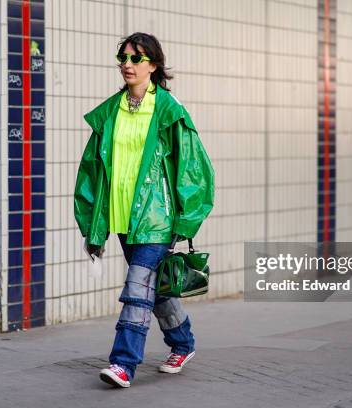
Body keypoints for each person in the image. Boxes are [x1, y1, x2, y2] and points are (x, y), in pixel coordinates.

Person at [74, 32, 215, 388]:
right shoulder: (111, 112)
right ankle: (183, 343)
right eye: (123, 57)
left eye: (136, 58)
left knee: (137, 288)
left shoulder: (168, 111)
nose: (127, 64)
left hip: (156, 219)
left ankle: (123, 363)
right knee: (156, 288)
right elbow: (92, 172)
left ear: (153, 65)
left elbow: (194, 168)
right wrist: (94, 225)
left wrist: (187, 218)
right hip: (123, 218)